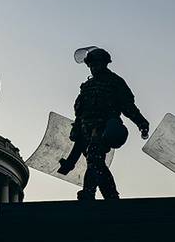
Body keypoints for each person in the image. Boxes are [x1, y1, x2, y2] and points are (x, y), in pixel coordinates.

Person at [61, 47, 150, 200]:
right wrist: (76, 130)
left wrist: (140, 122)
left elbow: (127, 106)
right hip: (85, 129)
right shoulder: (87, 86)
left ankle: (91, 193)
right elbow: (80, 112)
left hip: (104, 127)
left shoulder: (115, 82)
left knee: (95, 157)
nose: (93, 67)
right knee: (95, 163)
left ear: (104, 63)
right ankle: (109, 195)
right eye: (91, 65)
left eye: (96, 64)